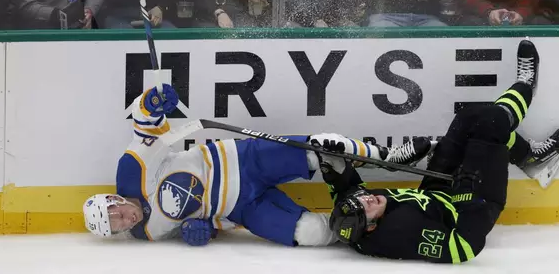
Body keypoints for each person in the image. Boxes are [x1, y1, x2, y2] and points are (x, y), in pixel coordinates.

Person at [319, 39, 559, 262]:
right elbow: (463, 247)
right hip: (475, 206)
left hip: (437, 194)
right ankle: (525, 86)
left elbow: (345, 188)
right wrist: (468, 197)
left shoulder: (354, 214)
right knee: (492, 122)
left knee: (468, 117)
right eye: (365, 208)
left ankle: (530, 158)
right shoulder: (400, 233)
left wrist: (330, 161)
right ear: (373, 228)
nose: (366, 199)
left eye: (358, 201)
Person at [82, 85, 422, 246]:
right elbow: (201, 224)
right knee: (309, 234)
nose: (125, 220)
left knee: (317, 148)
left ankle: (385, 158)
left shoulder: (131, 173)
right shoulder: (148, 233)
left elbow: (146, 127)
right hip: (244, 207)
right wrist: (202, 232)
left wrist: (151, 103)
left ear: (114, 200)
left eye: (117, 214)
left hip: (242, 160)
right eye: (117, 227)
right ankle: (361, 225)